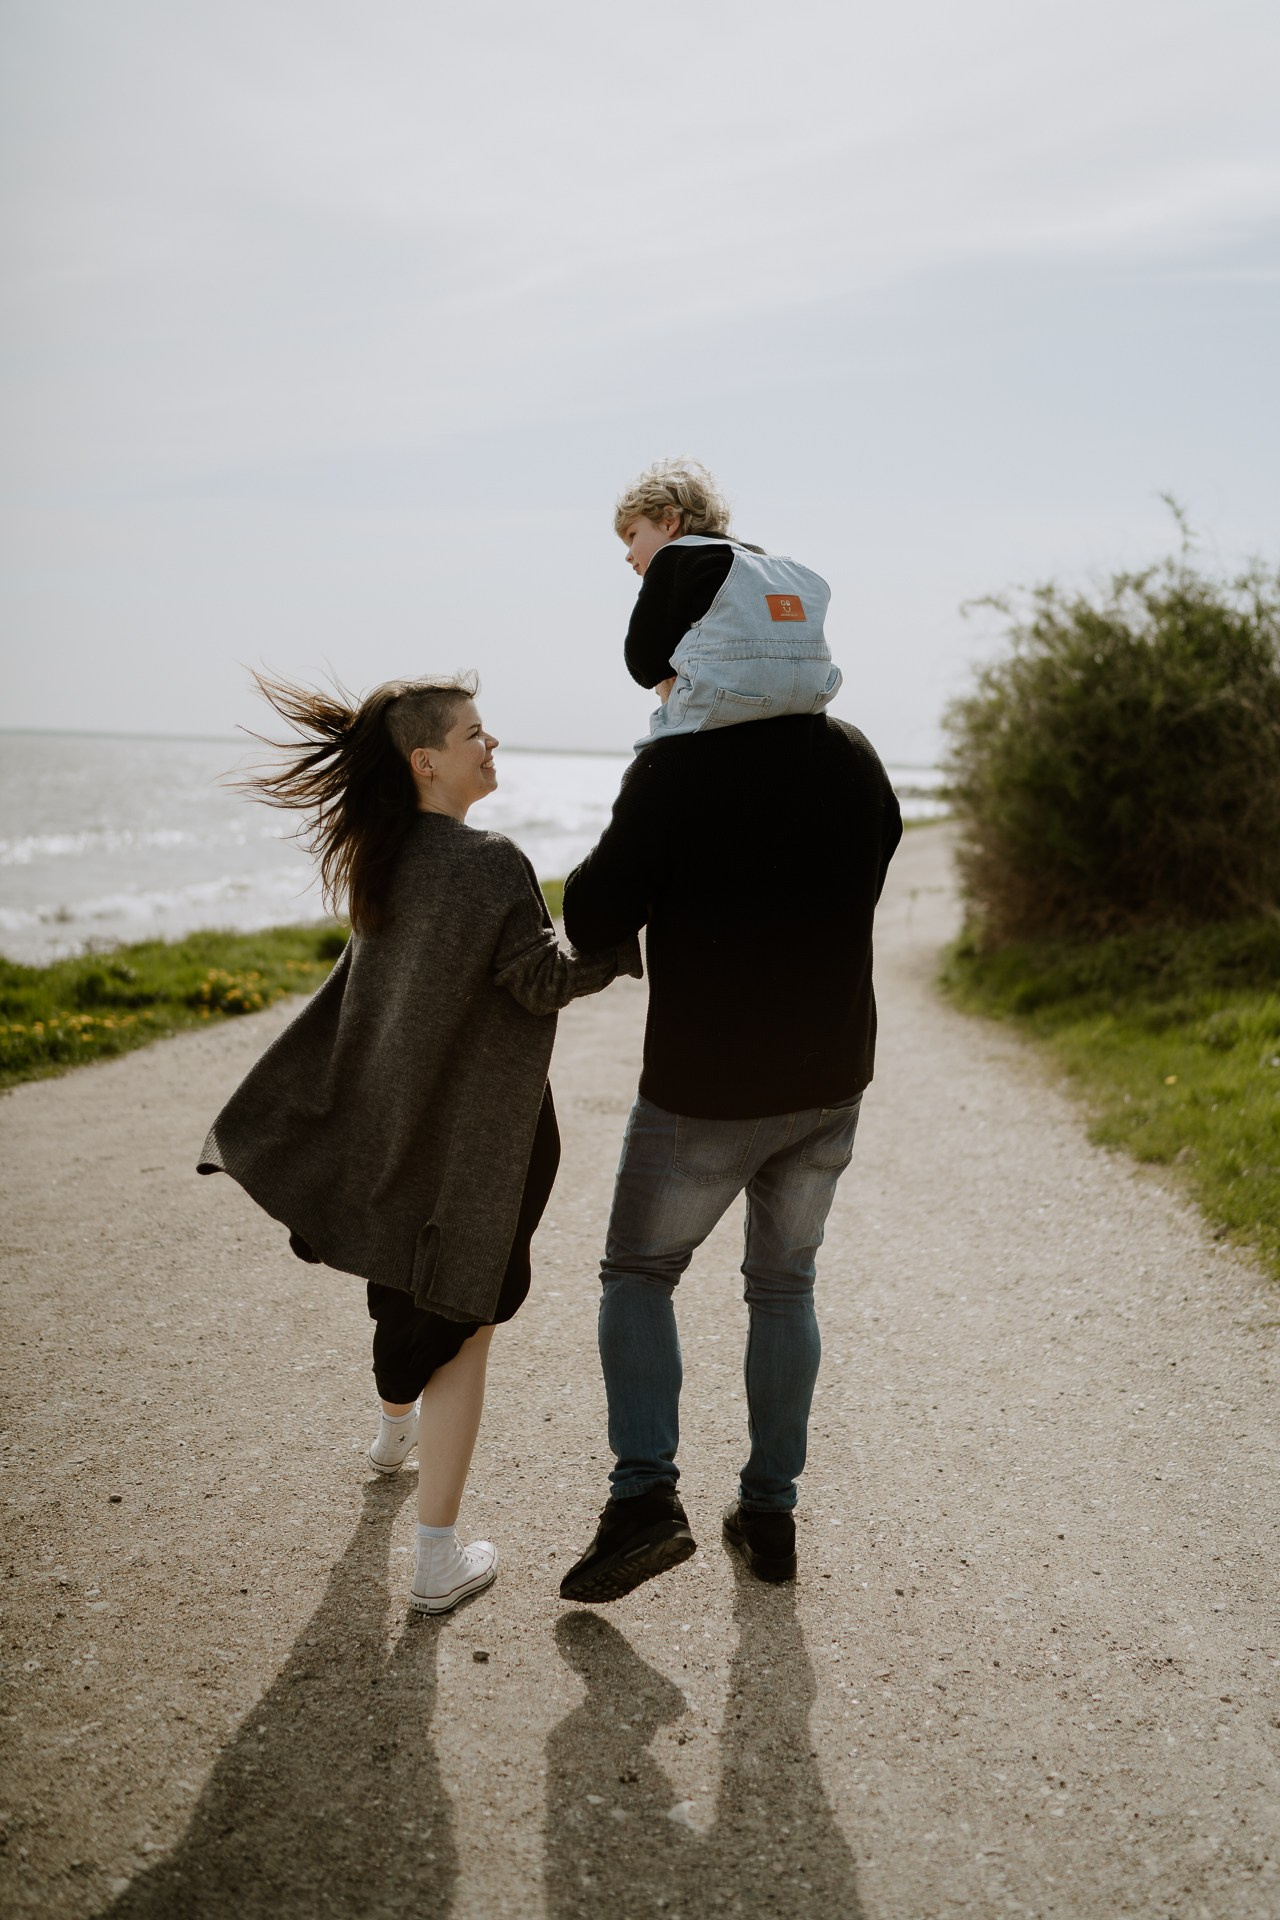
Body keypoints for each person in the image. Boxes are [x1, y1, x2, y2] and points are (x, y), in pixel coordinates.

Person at [197, 673, 640, 1615]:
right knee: (462, 1317)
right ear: (425, 761)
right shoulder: (488, 862)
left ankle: (392, 1436)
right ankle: (437, 1559)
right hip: (482, 1143)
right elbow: (538, 982)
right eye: (476, 734)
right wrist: (620, 940)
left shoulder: (382, 857)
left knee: (402, 1278)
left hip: (399, 1128)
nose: (493, 746)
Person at [557, 481, 902, 1602]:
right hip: (828, 1077)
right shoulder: (852, 755)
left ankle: (641, 1499)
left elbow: (595, 915)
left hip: (705, 1086)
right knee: (782, 1288)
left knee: (637, 1272)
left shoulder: (675, 771)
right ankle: (769, 1516)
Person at [615, 458, 843, 751]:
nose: (629, 555)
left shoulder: (673, 559)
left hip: (730, 700)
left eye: (632, 536)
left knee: (653, 751)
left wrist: (663, 678)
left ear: (669, 521)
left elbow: (643, 662)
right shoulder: (760, 561)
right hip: (810, 695)